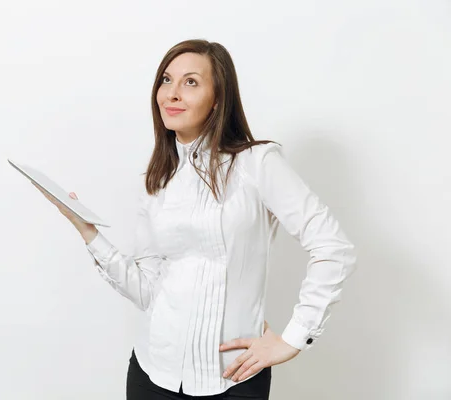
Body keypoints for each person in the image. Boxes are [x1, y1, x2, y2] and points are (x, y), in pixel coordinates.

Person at [32, 39, 357, 399]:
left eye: (190, 82)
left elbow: (333, 248)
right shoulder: (158, 180)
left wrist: (294, 338)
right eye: (166, 80)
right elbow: (147, 291)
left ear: (218, 99)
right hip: (151, 374)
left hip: (234, 379)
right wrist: (87, 230)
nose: (171, 94)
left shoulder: (257, 164)